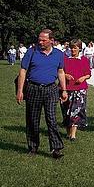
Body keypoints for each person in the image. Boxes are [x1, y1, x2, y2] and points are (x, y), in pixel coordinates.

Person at [15, 29, 67, 158]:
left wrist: (64, 89)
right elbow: (23, 71)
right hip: (33, 88)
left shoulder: (59, 54)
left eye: (44, 40)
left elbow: (60, 72)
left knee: (52, 119)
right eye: (39, 39)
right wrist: (20, 90)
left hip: (51, 89)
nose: (40, 42)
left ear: (52, 41)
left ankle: (56, 148)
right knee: (33, 119)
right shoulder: (32, 52)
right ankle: (33, 147)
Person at [61, 39, 91, 141]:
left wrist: (83, 78)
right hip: (66, 88)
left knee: (76, 111)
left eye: (75, 48)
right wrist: (65, 75)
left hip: (80, 89)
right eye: (72, 48)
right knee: (66, 111)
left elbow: (88, 74)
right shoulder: (65, 59)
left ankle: (73, 134)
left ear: (79, 48)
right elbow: (59, 72)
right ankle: (68, 132)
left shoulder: (84, 59)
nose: (73, 50)